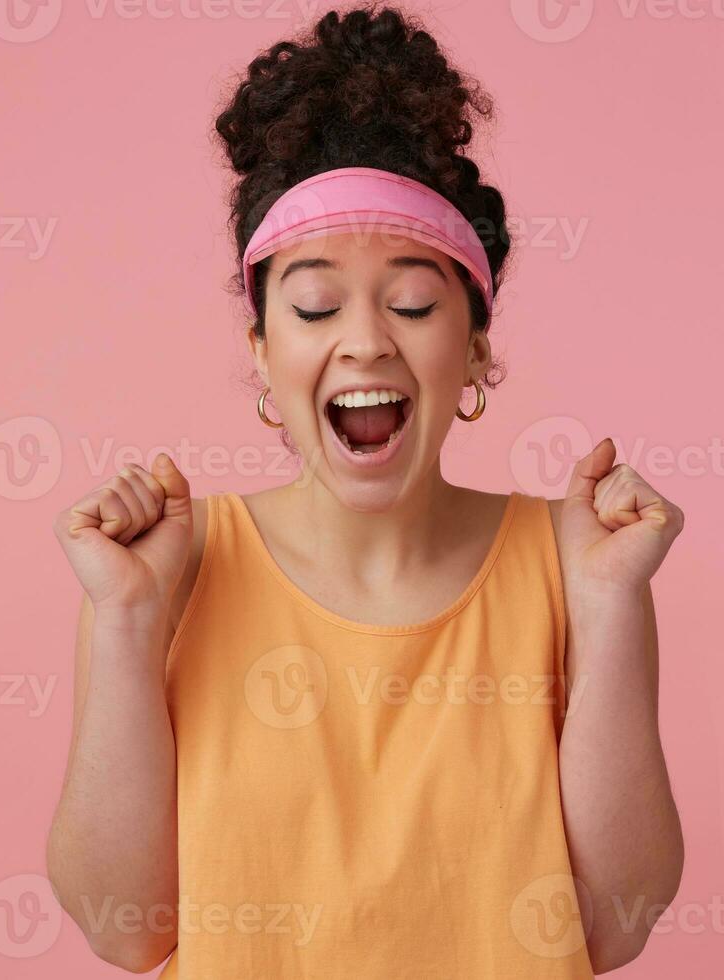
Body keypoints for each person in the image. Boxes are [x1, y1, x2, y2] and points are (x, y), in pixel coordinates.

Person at [46, 6, 685, 976]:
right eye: (312, 303)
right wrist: (129, 621)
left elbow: (616, 922)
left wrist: (609, 604)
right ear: (262, 351)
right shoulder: (160, 572)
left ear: (474, 346)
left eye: (415, 301)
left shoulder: (574, 564)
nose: (367, 339)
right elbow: (123, 925)